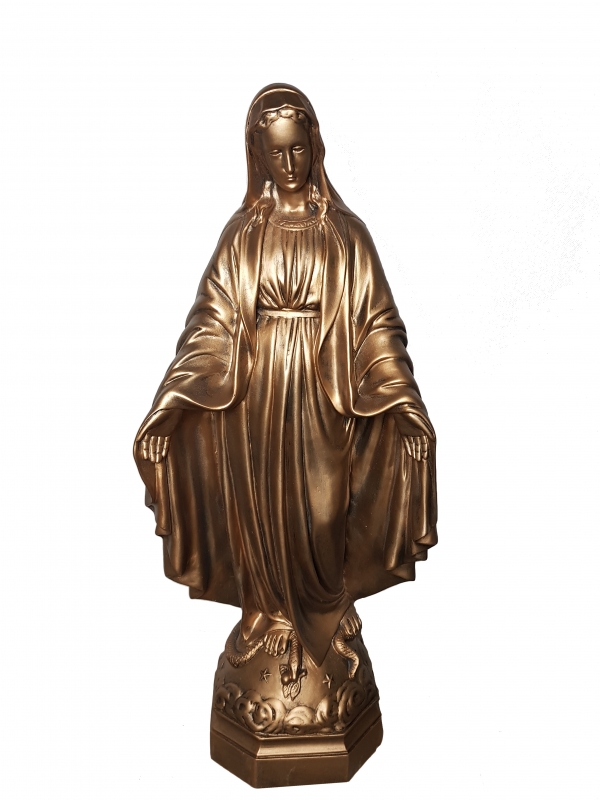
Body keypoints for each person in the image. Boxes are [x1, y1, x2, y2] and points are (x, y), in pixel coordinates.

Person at [134, 84, 437, 673]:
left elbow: (378, 324)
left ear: (314, 147)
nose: (290, 163)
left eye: (298, 149)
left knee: (323, 508)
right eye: (276, 153)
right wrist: (172, 401)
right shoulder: (243, 235)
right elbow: (211, 323)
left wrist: (402, 401)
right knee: (260, 505)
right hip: (258, 391)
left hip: (325, 391)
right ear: (259, 157)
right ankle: (268, 609)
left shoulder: (346, 235)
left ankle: (327, 603)